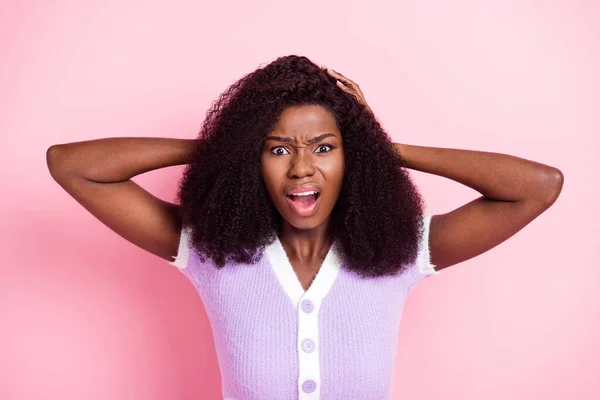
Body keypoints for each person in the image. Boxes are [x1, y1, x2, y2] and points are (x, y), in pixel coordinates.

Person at [46, 55, 564, 399]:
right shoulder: (212, 251)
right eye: (276, 149)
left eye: (324, 147)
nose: (301, 168)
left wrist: (381, 146)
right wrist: (227, 149)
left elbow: (538, 186)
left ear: (349, 155)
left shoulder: (399, 251)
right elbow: (73, 165)